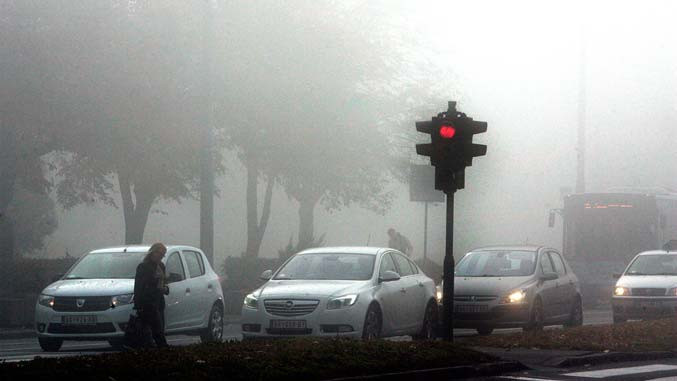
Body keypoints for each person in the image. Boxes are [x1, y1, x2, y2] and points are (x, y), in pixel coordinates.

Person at [132, 242, 170, 348]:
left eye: (163, 255)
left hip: (159, 302)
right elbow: (139, 286)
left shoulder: (161, 266)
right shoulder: (143, 267)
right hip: (148, 302)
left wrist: (165, 289)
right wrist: (138, 304)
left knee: (158, 328)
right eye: (160, 254)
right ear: (153, 253)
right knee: (156, 330)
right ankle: (163, 349)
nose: (161, 257)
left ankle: (153, 349)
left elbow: (164, 283)